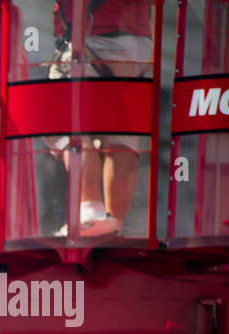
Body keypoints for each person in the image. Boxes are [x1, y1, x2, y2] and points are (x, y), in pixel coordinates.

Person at [48, 0, 153, 237]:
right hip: (139, 43)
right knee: (121, 136)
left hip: (95, 37)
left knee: (63, 119)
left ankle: (91, 211)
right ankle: (113, 222)